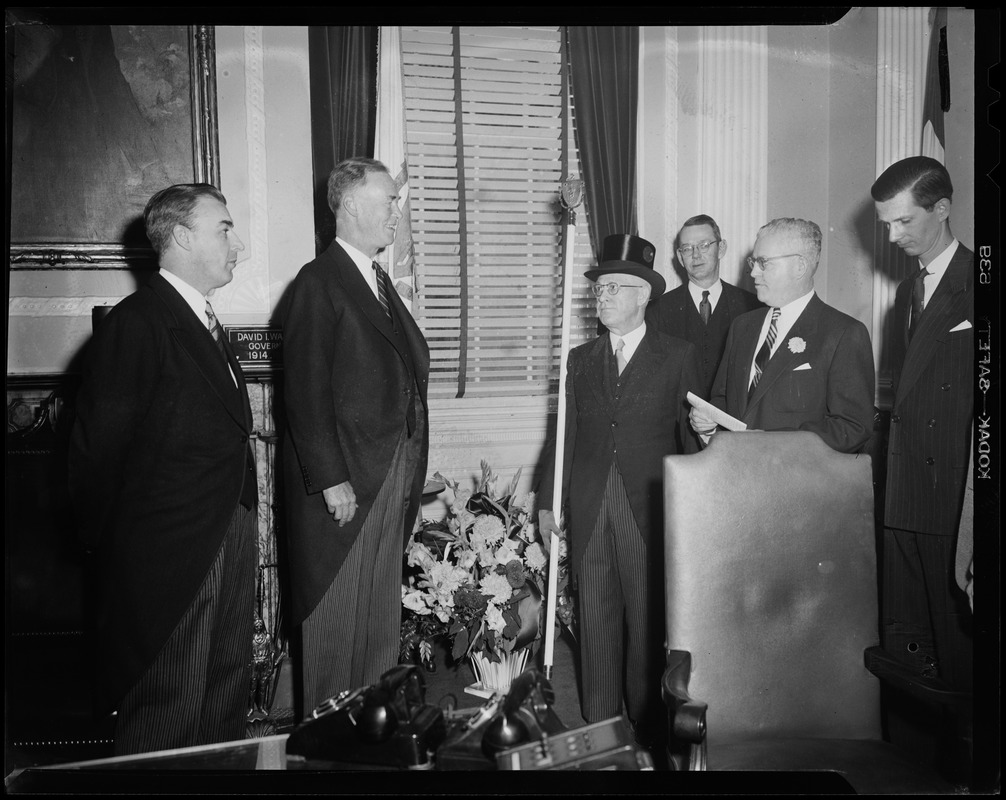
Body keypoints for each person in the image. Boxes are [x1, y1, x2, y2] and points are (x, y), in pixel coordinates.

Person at [68, 183, 258, 755]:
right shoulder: (137, 324)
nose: (239, 245)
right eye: (224, 229)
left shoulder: (203, 321)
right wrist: (127, 564)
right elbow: (94, 463)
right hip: (168, 559)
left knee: (223, 701)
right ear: (180, 236)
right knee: (167, 717)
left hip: (228, 535)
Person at [538, 234, 701, 752]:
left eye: (613, 288)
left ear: (643, 295)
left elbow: (692, 439)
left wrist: (693, 516)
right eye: (599, 288)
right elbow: (561, 436)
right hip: (588, 506)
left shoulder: (678, 356)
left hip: (647, 507)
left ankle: (649, 730)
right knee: (598, 620)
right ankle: (599, 728)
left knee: (646, 622)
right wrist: (548, 501)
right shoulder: (580, 359)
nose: (601, 297)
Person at [280, 157, 430, 717]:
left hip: (388, 473)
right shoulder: (319, 282)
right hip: (347, 483)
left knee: (377, 620)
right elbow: (305, 392)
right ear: (347, 205)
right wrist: (332, 478)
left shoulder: (377, 278)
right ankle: (325, 751)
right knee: (336, 620)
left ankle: (374, 734)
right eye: (389, 200)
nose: (399, 211)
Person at [872, 156, 973, 691]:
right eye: (886, 223)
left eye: (903, 221)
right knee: (909, 655)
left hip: (953, 497)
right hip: (905, 487)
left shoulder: (980, 280)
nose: (892, 235)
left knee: (957, 654)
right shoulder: (907, 292)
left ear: (942, 209)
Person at [690, 217, 875, 454]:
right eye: (753, 261)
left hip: (796, 484)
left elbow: (852, 428)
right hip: (736, 477)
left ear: (800, 266)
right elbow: (722, 399)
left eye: (763, 262)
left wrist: (769, 443)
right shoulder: (742, 326)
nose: (753, 272)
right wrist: (708, 424)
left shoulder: (843, 333)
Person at [646, 214, 762, 397]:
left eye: (704, 245)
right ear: (679, 256)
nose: (696, 255)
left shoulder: (753, 306)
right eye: (687, 248)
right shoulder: (656, 311)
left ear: (721, 248)